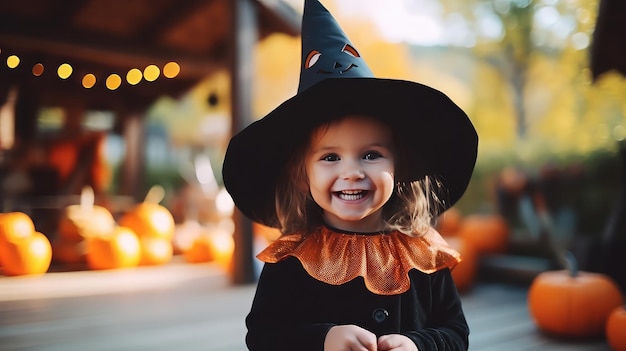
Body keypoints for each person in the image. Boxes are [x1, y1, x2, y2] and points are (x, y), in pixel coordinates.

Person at [222, 1, 478, 350]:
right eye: (330, 157)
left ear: (399, 166)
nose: (352, 172)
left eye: (371, 155)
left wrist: (419, 345)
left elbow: (455, 332)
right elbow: (264, 336)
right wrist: (323, 338)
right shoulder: (293, 259)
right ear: (302, 175)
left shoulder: (423, 253)